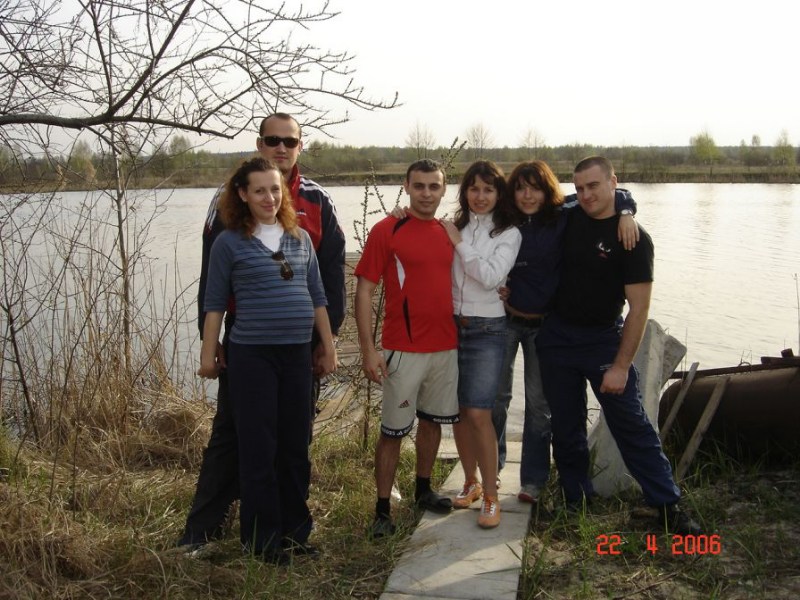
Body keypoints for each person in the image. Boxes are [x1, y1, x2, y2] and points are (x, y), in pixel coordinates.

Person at [179, 113, 346, 551]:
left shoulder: (317, 202)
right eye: (273, 140)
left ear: (300, 146)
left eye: (289, 141)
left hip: (300, 345)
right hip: (247, 343)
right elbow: (212, 285)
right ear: (260, 145)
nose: (281, 147)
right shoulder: (227, 206)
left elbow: (327, 283)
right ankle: (205, 530)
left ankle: (292, 532)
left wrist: (326, 343)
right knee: (235, 436)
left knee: (294, 440)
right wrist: (212, 345)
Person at [535, 156, 701, 535]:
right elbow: (530, 206)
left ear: (613, 182)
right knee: (566, 426)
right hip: (557, 338)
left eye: (594, 186)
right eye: (579, 187)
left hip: (603, 341)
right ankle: (575, 500)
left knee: (632, 424)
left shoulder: (634, 239)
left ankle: (667, 504)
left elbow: (639, 309)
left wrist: (622, 366)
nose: (586, 195)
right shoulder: (569, 215)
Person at [493, 160, 638, 505]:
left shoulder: (563, 214)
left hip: (545, 326)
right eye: (520, 188)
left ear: (548, 191)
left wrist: (627, 212)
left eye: (535, 188)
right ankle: (492, 468)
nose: (528, 196)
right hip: (505, 322)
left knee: (538, 405)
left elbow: (614, 192)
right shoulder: (503, 220)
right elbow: (465, 223)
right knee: (495, 399)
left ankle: (533, 480)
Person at [355, 158, 459, 539]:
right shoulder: (387, 229)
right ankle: (382, 510)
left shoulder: (451, 231)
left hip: (446, 347)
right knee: (393, 432)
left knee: (432, 422)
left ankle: (423, 489)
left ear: (444, 189)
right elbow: (364, 291)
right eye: (419, 186)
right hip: (403, 350)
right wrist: (368, 350)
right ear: (406, 187)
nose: (427, 194)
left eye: (434, 186)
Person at [443, 160, 520, 528]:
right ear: (465, 192)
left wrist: (458, 245)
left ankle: (491, 495)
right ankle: (471, 482)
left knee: (479, 413)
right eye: (474, 188)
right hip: (450, 325)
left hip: (488, 328)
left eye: (488, 189)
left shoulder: (508, 233)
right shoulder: (454, 226)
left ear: (499, 194)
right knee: (458, 412)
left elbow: (490, 277)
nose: (480, 196)